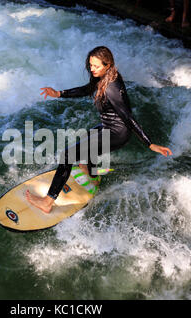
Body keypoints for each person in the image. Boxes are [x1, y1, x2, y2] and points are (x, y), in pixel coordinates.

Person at [26, 46, 172, 213]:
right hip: (109, 127)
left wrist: (149, 143)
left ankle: (48, 201)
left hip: (117, 132)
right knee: (90, 137)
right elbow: (86, 89)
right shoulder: (104, 76)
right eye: (90, 65)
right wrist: (59, 93)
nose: (92, 69)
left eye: (96, 66)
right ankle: (93, 177)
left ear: (107, 64)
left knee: (67, 155)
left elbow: (128, 116)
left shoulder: (111, 87)